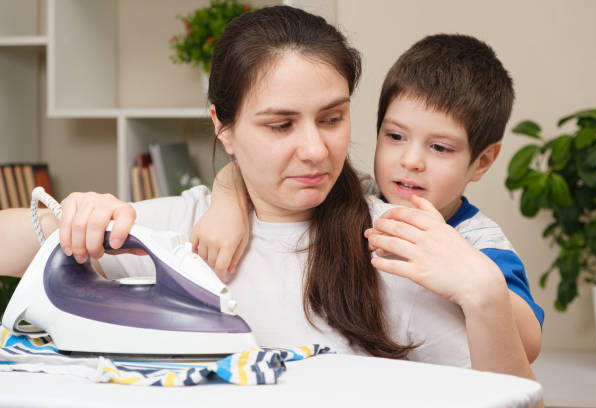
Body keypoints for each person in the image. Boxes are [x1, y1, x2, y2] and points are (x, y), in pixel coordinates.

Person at [0, 6, 535, 381]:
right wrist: (76, 216)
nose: (316, 151)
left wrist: (484, 292)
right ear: (222, 127)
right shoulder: (180, 227)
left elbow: (515, 391)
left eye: (332, 118)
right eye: (281, 125)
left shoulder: (403, 244)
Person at [191, 34, 543, 363]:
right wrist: (227, 200)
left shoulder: (479, 239)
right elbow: (267, 176)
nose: (411, 161)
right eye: (395, 136)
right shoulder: (361, 194)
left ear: (481, 161)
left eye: (439, 147)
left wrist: (471, 279)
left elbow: (528, 346)